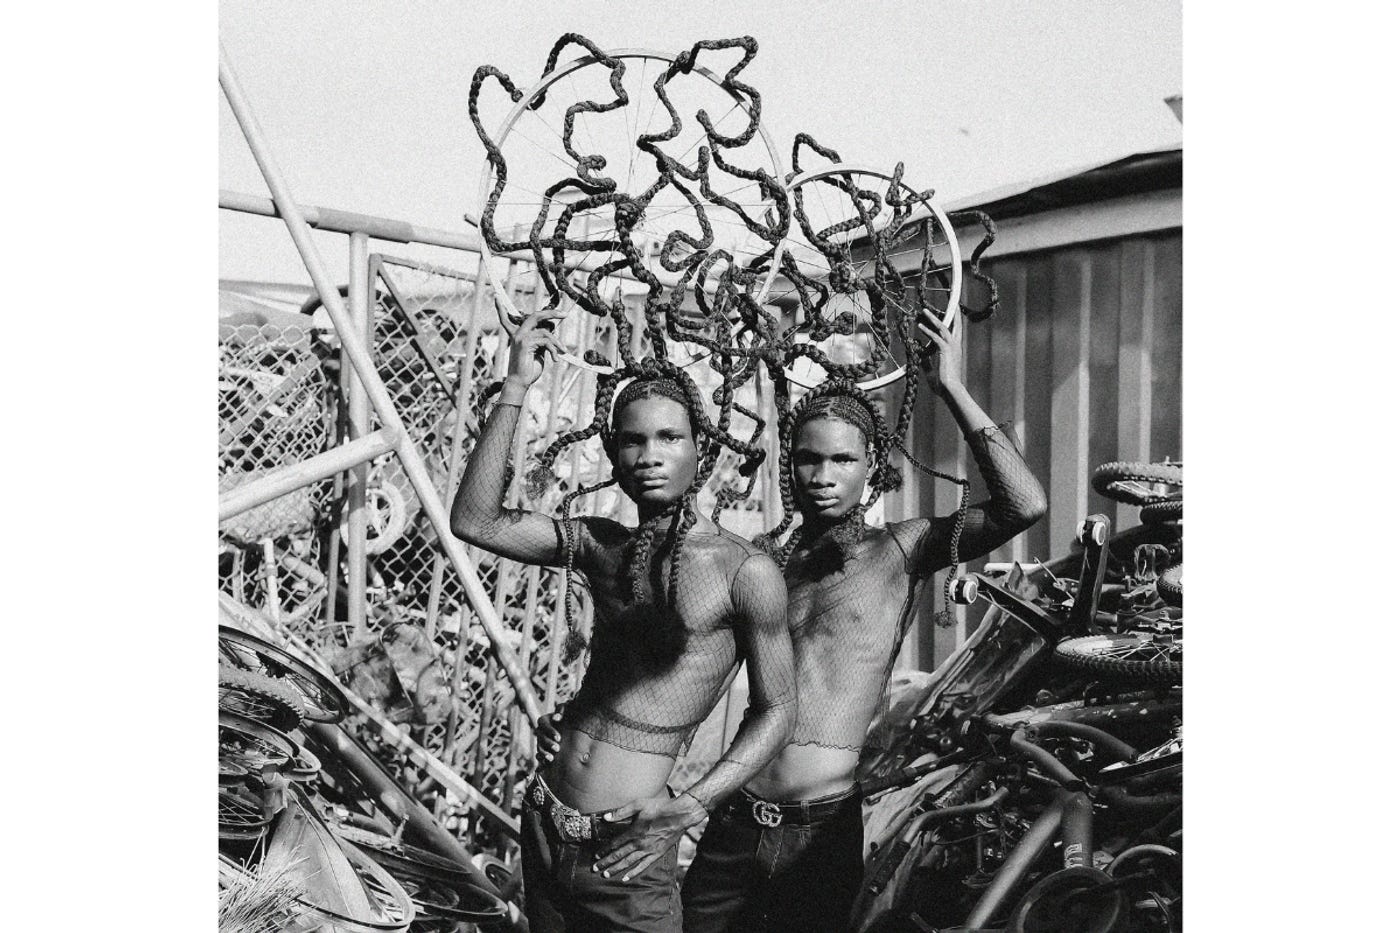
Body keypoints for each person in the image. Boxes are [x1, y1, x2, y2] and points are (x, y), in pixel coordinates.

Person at [677, 316, 1049, 932]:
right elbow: (695, 669)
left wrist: (952, 387)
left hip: (820, 834)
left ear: (871, 464)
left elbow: (1025, 504)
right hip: (735, 823)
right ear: (788, 466)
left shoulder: (900, 551)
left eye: (842, 460)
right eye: (807, 460)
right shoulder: (763, 563)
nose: (822, 477)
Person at [451, 311, 797, 933]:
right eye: (633, 442)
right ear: (613, 454)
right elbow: (476, 522)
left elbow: (777, 711)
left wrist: (688, 806)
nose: (649, 456)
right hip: (546, 825)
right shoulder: (598, 544)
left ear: (703, 450)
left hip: (627, 853)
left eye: (669, 438)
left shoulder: (743, 572)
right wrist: (515, 387)